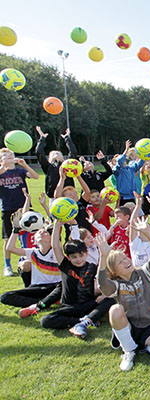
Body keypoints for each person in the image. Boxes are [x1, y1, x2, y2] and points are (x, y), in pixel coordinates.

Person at [97, 218, 150, 371]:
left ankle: (144, 346)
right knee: (115, 310)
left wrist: (148, 234)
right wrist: (103, 257)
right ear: (114, 271)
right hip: (128, 325)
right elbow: (103, 285)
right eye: (120, 262)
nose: (126, 261)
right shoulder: (116, 284)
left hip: (148, 327)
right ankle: (128, 350)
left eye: (125, 257)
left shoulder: (143, 273)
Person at [40, 220, 114, 339]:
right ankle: (83, 320)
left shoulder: (92, 266)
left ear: (86, 253)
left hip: (89, 304)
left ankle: (88, 319)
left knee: (109, 300)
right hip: (70, 307)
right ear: (68, 258)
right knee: (46, 320)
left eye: (81, 255)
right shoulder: (65, 266)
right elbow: (55, 247)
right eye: (74, 257)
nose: (78, 259)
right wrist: (57, 224)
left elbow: (103, 277)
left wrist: (103, 296)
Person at [1, 225, 61, 317]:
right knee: (4, 297)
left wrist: (55, 226)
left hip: (54, 287)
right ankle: (47, 301)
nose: (41, 233)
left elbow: (58, 242)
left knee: (63, 287)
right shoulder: (33, 252)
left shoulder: (56, 251)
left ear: (51, 238)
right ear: (35, 240)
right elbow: (10, 248)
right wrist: (15, 230)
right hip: (37, 288)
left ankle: (46, 301)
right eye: (39, 232)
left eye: (45, 232)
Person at [0, 148, 39, 276]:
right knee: (8, 238)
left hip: (24, 207)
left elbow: (35, 176)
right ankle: (7, 266)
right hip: (8, 208)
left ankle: (31, 260)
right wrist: (2, 168)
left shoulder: (20, 170)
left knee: (29, 234)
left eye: (11, 155)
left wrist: (24, 164)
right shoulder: (1, 172)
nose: (10, 157)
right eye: (6, 155)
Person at [34, 126, 77, 199]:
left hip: (69, 196)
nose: (56, 153)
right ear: (49, 159)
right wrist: (42, 138)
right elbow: (39, 152)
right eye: (53, 153)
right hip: (53, 197)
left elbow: (73, 152)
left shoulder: (67, 165)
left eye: (58, 153)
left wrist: (67, 138)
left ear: (63, 157)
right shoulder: (48, 167)